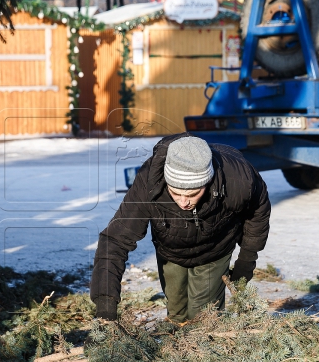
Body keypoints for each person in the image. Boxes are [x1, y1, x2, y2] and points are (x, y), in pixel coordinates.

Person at [90, 134, 271, 322]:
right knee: (177, 314)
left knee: (202, 320)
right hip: (170, 249)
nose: (184, 202)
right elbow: (114, 241)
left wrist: (247, 261)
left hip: (215, 248)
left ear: (207, 182)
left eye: (193, 193)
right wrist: (105, 308)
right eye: (176, 192)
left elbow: (258, 213)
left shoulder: (239, 180)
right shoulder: (149, 183)